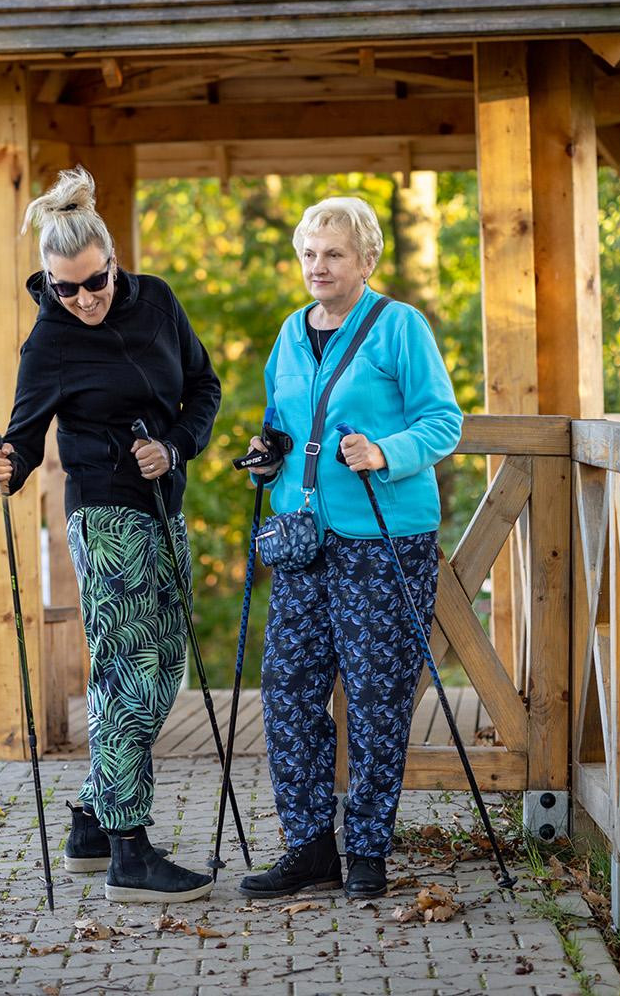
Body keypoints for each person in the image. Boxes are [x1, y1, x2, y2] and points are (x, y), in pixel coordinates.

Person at [0, 166, 221, 903]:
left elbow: (204, 387)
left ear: (114, 261)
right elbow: (19, 445)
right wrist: (1, 463)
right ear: (49, 284)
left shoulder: (158, 304)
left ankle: (90, 817)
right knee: (129, 671)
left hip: (163, 503)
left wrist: (174, 446)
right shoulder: (48, 343)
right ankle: (128, 850)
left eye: (95, 282)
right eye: (65, 289)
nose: (84, 300)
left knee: (164, 672)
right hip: (105, 515)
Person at [238, 196, 463, 901]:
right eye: (309, 253)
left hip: (383, 540)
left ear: (366, 260)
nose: (318, 266)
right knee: (287, 691)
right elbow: (280, 419)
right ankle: (309, 848)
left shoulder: (399, 327)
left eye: (333, 254)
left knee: (375, 696)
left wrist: (385, 451)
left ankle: (367, 848)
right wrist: (265, 453)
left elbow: (443, 422)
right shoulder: (288, 331)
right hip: (303, 540)